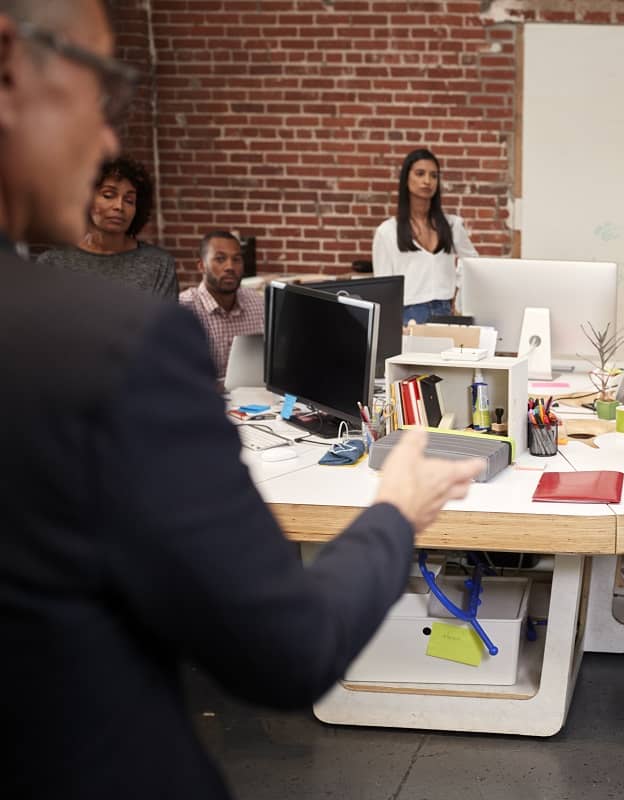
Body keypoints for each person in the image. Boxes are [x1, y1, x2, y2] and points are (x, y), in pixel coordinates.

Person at [0, 4, 482, 798]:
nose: (110, 140)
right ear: (14, 65)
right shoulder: (115, 349)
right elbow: (285, 649)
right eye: (102, 88)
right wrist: (396, 513)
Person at [36, 153, 178, 298]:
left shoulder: (158, 265)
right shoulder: (53, 264)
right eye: (108, 195)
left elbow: (166, 320)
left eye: (129, 200)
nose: (119, 206)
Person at [371, 147, 478, 325]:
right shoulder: (387, 231)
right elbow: (384, 287)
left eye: (433, 175)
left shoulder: (452, 225)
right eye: (420, 174)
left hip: (445, 313)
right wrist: (393, 325)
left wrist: (457, 290)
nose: (427, 181)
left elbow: (473, 263)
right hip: (408, 316)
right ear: (406, 178)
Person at [179, 230, 265, 383]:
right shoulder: (184, 308)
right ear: (201, 266)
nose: (230, 267)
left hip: (255, 400)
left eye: (236, 259)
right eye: (220, 259)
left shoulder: (257, 303)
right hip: (201, 400)